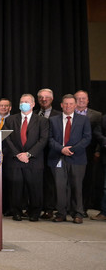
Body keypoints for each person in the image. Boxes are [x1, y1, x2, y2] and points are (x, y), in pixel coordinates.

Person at [3, 94, 49, 222]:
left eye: (27, 102)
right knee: (16, 188)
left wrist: (28, 154)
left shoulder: (42, 121)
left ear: (33, 104)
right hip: (15, 159)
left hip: (34, 160)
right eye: (22, 101)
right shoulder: (10, 120)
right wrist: (18, 154)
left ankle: (34, 213)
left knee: (35, 187)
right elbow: (6, 138)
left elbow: (43, 140)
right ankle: (16, 212)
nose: (24, 103)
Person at [47, 94, 91, 224]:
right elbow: (49, 139)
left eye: (71, 104)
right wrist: (61, 149)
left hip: (77, 158)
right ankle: (61, 213)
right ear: (61, 105)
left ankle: (78, 213)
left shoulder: (83, 120)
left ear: (75, 105)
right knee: (60, 187)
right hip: (58, 157)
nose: (68, 106)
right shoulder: (53, 120)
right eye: (65, 103)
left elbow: (87, 138)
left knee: (76, 187)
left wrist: (72, 149)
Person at [74, 90, 102, 217]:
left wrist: (97, 151)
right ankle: (71, 206)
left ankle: (83, 207)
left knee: (87, 180)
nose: (81, 100)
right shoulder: (68, 112)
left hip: (89, 153)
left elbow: (99, 135)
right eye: (78, 98)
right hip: (71, 151)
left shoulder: (97, 115)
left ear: (88, 100)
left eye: (83, 98)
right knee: (71, 180)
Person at [35, 88, 62, 220]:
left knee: (50, 183)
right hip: (35, 154)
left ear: (51, 99)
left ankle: (49, 209)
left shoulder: (58, 115)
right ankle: (35, 208)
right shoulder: (34, 114)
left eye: (46, 97)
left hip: (51, 154)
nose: (43, 99)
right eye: (41, 97)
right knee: (36, 182)